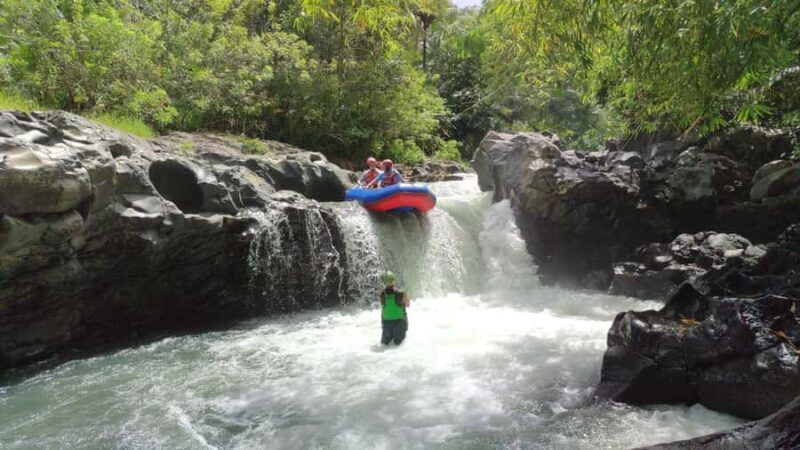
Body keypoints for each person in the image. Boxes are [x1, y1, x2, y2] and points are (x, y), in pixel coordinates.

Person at [379, 271, 410, 345]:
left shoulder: (381, 294)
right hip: (399, 323)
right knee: (399, 346)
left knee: (385, 345)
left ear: (384, 282)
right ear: (393, 281)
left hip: (386, 323)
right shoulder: (401, 294)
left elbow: (383, 305)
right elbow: (407, 305)